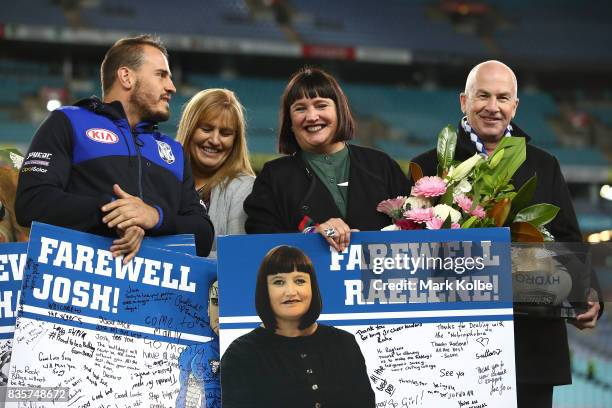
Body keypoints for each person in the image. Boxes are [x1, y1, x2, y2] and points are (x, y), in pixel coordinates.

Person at [410, 60, 602, 408]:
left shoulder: (544, 164)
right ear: (463, 101)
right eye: (482, 96)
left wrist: (589, 294)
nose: (492, 107)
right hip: (452, 351)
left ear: (515, 105)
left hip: (531, 349)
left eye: (502, 97)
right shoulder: (428, 167)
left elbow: (568, 238)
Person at [14, 35, 214, 259]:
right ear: (126, 77)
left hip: (157, 292)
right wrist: (112, 212)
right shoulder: (68, 122)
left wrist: (155, 217)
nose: (172, 87)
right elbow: (31, 203)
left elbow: (203, 236)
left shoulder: (174, 152)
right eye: (161, 75)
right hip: (84, 286)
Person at [244, 67, 410, 252]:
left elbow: (414, 232)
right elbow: (258, 240)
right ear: (290, 122)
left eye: (321, 105)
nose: (312, 117)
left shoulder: (381, 165)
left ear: (339, 111)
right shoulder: (273, 177)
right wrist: (310, 234)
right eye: (300, 109)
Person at [220, 245, 375, 408]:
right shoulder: (241, 354)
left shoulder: (344, 343)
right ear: (264, 290)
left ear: (312, 287)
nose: (291, 291)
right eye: (278, 282)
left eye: (300, 281)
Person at [176, 89, 254, 257]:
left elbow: (237, 259)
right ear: (189, 128)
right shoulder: (163, 175)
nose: (214, 140)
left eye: (225, 133)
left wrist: (174, 256)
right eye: (206, 129)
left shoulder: (246, 189)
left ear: (235, 140)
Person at [177, 280, 221, 408]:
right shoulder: (193, 354)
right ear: (208, 308)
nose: (221, 313)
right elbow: (185, 400)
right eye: (216, 302)